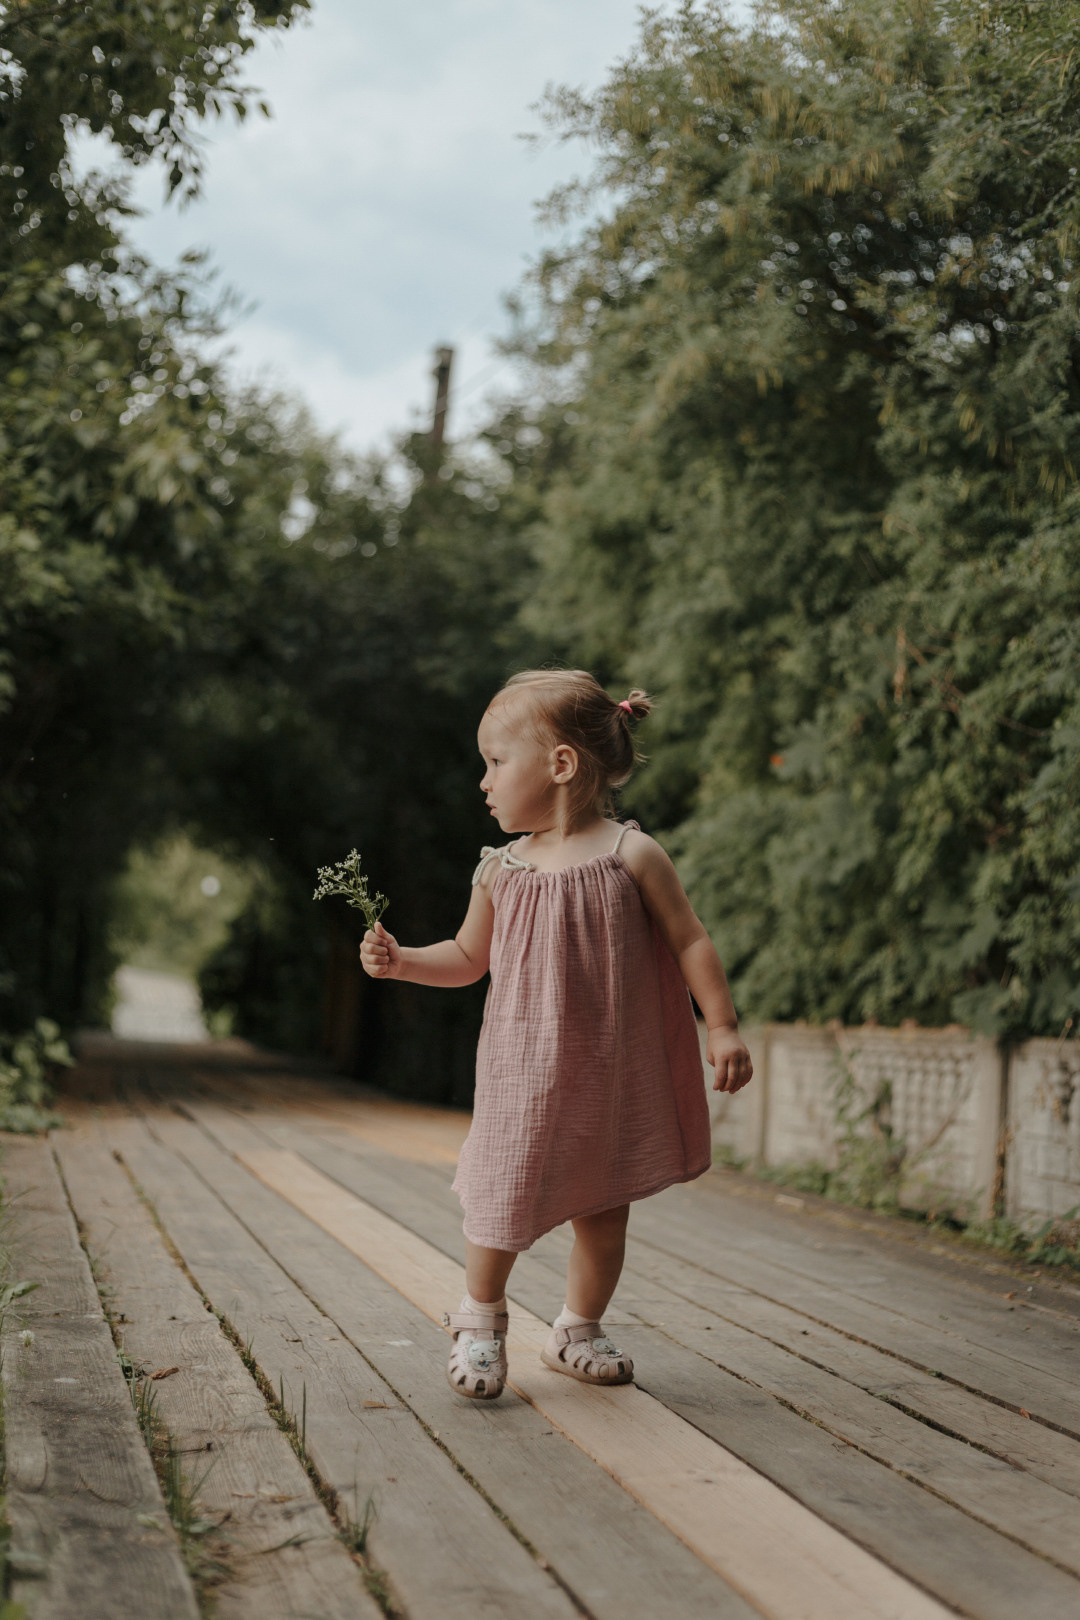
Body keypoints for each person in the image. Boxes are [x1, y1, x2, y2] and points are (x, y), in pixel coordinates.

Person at [360, 668, 753, 1400]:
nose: (483, 781)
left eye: (496, 762)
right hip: (520, 1072)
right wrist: (406, 960)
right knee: (502, 1194)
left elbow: (690, 940)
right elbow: (468, 959)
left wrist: (722, 1027)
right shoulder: (499, 870)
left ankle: (575, 1328)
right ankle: (480, 1318)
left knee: (604, 1209)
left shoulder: (631, 857)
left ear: (562, 766)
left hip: (607, 1074)